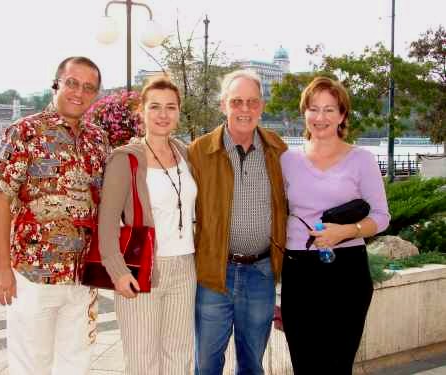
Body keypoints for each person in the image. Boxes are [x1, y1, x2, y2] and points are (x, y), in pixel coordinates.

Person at [0, 56, 109, 375]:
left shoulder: (99, 140)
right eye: (72, 83)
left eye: (88, 87)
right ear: (56, 84)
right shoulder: (24, 132)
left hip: (82, 275)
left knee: (76, 362)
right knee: (31, 365)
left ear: (96, 94)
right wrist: (1, 269)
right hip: (32, 274)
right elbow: (0, 200)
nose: (79, 92)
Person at [279, 76, 390, 374]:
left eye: (329, 109)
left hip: (347, 272)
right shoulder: (286, 160)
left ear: (342, 115)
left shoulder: (362, 160)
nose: (320, 117)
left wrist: (347, 232)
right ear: (304, 113)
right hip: (299, 270)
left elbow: (381, 216)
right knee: (305, 364)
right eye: (314, 109)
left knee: (338, 364)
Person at [188, 69, 288, 375]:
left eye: (252, 102)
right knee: (206, 363)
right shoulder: (199, 152)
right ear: (223, 105)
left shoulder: (278, 150)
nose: (245, 109)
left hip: (260, 274)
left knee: (252, 363)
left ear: (261, 106)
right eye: (237, 101)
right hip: (214, 274)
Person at [98, 76, 197, 374]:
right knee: (143, 360)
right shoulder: (125, 159)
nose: (163, 114)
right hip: (141, 269)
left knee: (179, 356)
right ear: (141, 112)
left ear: (179, 111)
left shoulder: (185, 154)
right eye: (155, 107)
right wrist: (117, 271)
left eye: (170, 107)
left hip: (185, 266)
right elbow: (106, 222)